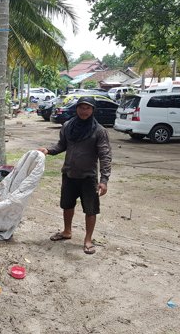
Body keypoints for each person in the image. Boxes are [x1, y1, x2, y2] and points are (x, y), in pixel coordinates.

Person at [38, 96, 112, 255]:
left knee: (91, 210)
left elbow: (105, 155)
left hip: (88, 177)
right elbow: (62, 145)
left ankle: (88, 239)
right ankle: (67, 231)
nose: (84, 111)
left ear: (93, 110)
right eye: (81, 107)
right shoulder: (67, 126)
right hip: (69, 174)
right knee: (67, 205)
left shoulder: (99, 131)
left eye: (88, 108)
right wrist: (48, 150)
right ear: (76, 108)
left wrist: (104, 180)